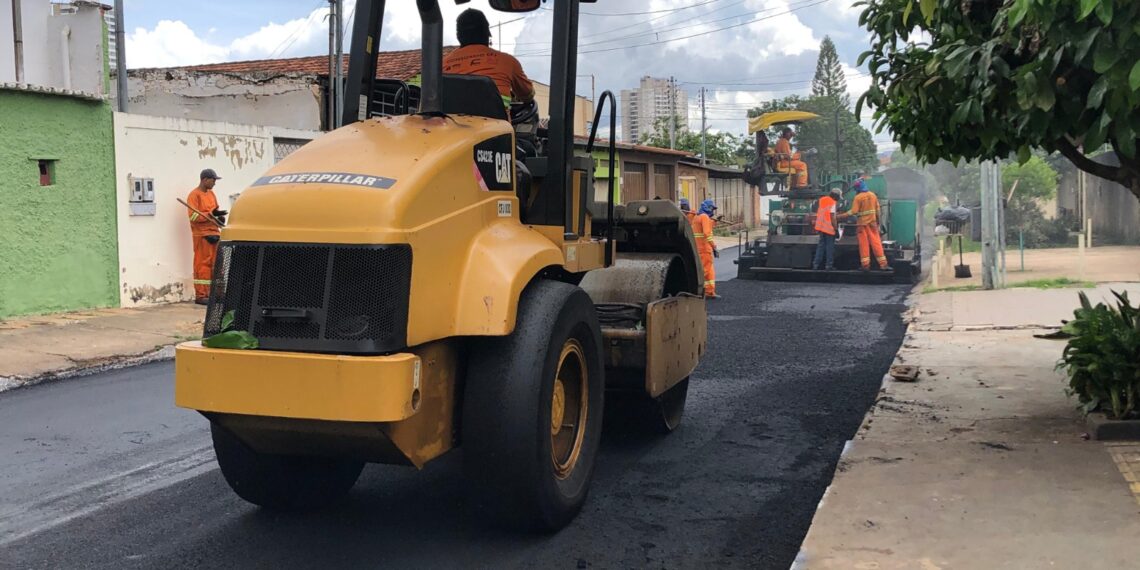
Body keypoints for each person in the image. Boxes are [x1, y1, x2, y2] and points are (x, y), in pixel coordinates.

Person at [442, 9, 535, 108]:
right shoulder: (507, 62)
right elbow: (528, 95)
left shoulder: (442, 64)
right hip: (498, 123)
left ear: (458, 36)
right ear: (487, 33)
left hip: (450, 122)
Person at [186, 169, 227, 305]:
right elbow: (193, 216)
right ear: (204, 179)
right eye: (213, 180)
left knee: (218, 265)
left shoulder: (212, 194)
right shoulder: (194, 195)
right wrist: (210, 215)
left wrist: (219, 216)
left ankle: (219, 294)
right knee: (203, 265)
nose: (214, 183)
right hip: (202, 235)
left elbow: (213, 211)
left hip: (214, 233)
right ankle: (202, 295)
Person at [838, 172, 889, 271]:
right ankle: (883, 265)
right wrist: (879, 223)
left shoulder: (858, 197)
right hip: (873, 224)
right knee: (877, 243)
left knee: (864, 245)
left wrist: (840, 216)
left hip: (862, 225)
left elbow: (854, 211)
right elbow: (878, 210)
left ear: (857, 188)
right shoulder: (873, 195)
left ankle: (865, 266)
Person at [681, 198, 720, 298]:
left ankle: (709, 291)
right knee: (704, 271)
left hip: (699, 249)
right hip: (704, 249)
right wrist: (714, 247)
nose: (712, 211)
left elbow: (705, 227)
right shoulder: (704, 217)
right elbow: (707, 233)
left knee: (709, 271)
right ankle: (694, 290)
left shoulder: (697, 217)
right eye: (712, 209)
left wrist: (714, 222)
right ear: (707, 208)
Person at [812, 187, 842, 270]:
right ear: (836, 196)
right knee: (830, 247)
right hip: (829, 228)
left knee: (821, 246)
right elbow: (832, 217)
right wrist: (836, 230)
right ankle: (829, 265)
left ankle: (816, 264)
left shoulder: (822, 199)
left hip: (821, 227)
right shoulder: (833, 203)